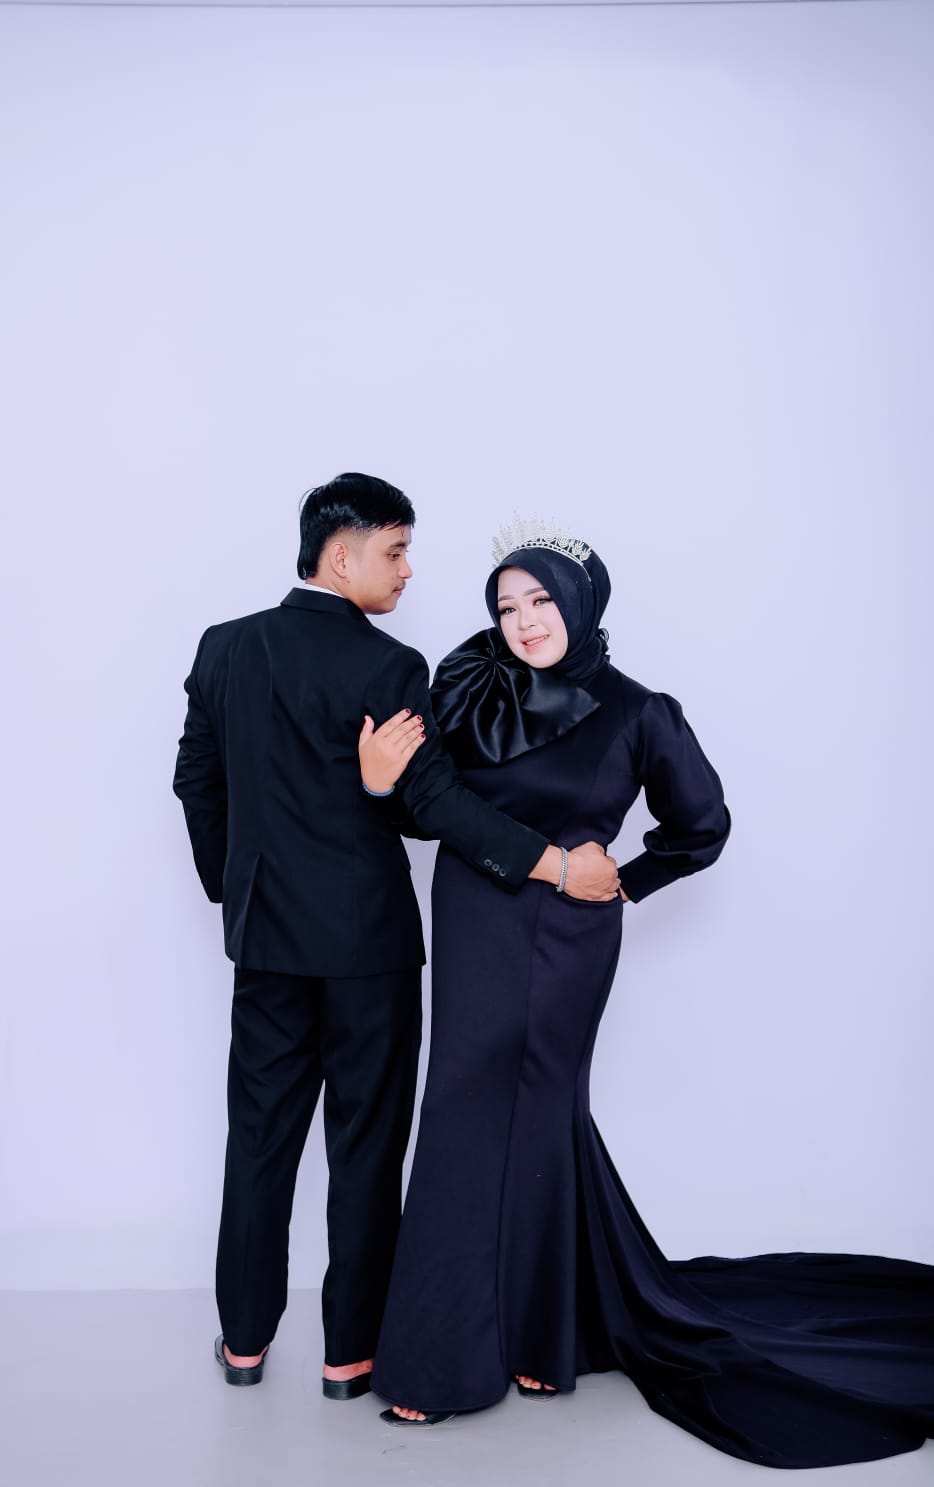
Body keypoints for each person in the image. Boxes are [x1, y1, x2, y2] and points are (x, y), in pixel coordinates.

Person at [366, 519, 934, 1468]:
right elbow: (434, 810)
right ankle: (496, 1346)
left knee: (534, 1113)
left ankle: (503, 1347)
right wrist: (387, 786)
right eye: (507, 605)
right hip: (472, 919)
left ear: (580, 601)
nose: (523, 621)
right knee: (470, 1113)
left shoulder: (639, 711)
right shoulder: (468, 684)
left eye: (541, 600)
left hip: (566, 939)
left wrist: (625, 880)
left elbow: (702, 824)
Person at [172, 478, 619, 1401]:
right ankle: (350, 1355)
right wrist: (549, 862)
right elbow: (434, 806)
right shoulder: (390, 666)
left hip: (266, 943)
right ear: (342, 556)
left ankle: (244, 1342)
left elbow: (197, 781)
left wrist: (237, 887)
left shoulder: (224, 648)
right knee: (367, 1150)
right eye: (396, 550)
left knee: (257, 1142)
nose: (409, 570)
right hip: (369, 950)